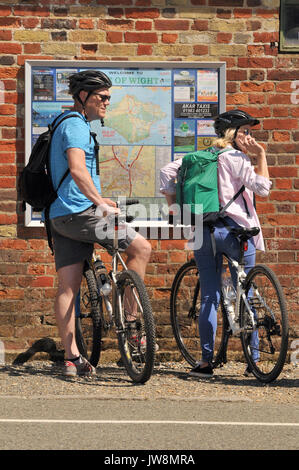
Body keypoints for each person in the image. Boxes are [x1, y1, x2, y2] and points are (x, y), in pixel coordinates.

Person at [48, 70, 151, 377]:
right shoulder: (77, 126)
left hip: (60, 215)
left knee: (68, 286)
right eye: (102, 97)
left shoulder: (61, 122)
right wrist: (100, 202)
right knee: (141, 248)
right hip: (81, 213)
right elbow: (78, 170)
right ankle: (133, 325)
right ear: (83, 97)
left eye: (109, 97)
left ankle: (73, 359)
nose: (107, 102)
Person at [160, 109, 271, 378]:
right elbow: (263, 189)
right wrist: (261, 155)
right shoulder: (238, 158)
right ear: (233, 134)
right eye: (245, 131)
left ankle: (206, 363)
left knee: (210, 295)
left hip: (203, 232)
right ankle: (253, 360)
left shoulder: (197, 157)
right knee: (245, 293)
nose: (249, 136)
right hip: (237, 233)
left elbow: (166, 172)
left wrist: (174, 207)